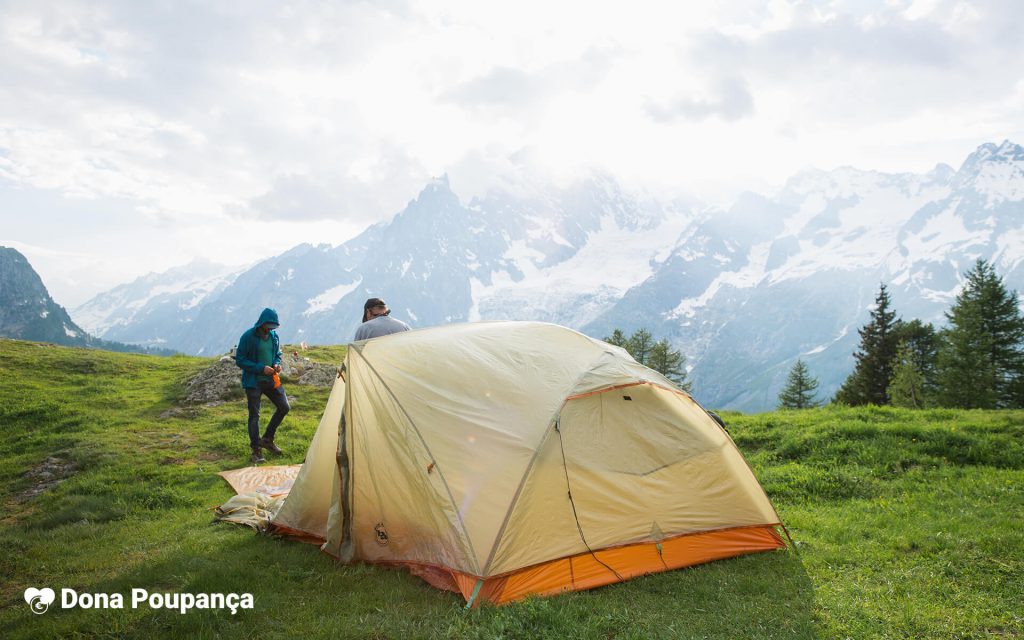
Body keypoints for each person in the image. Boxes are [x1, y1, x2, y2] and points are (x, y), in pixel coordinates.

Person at [235, 308, 289, 464]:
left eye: (274, 326)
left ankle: (267, 439)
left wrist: (277, 364)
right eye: (269, 325)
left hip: (271, 379)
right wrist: (260, 368)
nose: (271, 328)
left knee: (284, 407)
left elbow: (278, 354)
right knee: (254, 415)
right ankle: (256, 450)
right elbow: (240, 359)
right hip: (253, 382)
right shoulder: (248, 336)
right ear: (262, 322)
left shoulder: (274, 337)